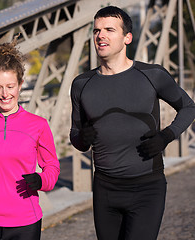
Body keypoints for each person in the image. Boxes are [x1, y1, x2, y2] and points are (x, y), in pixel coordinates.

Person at [70, 5, 195, 240]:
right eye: (96, 31)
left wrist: (166, 136)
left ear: (127, 37)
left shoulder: (152, 75)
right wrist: (81, 138)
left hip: (147, 188)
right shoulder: (81, 84)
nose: (101, 36)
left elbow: (188, 107)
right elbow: (76, 136)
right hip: (105, 189)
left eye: (109, 29)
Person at [0, 37, 60, 240]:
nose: (5, 94)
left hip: (25, 222)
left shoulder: (38, 125)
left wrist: (41, 180)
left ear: (20, 85)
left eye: (10, 86)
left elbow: (52, 167)